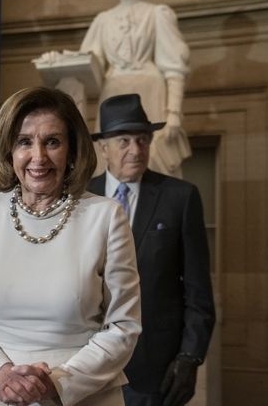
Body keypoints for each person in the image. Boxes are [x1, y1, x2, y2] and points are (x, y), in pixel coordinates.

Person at [0, 87, 142, 406]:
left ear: (71, 150)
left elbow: (123, 326)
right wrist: (3, 374)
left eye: (52, 142)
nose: (38, 157)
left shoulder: (106, 217)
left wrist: (56, 384)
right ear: (9, 149)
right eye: (25, 141)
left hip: (83, 396)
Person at [88, 93, 216, 406]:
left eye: (143, 139)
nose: (136, 150)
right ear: (103, 147)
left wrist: (190, 357)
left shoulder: (180, 197)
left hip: (154, 370)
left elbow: (199, 293)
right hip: (84, 365)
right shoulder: (79, 198)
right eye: (124, 140)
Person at [80, 0, 190, 178]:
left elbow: (174, 67)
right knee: (109, 160)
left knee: (154, 157)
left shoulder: (157, 14)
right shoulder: (103, 21)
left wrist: (174, 112)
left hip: (149, 92)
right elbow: (87, 65)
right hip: (112, 93)